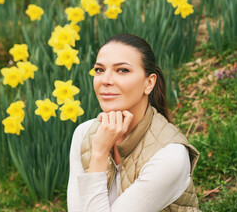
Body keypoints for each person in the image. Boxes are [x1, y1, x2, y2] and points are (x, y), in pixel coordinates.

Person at [67, 34, 200, 212]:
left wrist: (98, 154)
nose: (105, 80)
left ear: (149, 83)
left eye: (122, 70)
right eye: (99, 70)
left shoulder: (170, 155)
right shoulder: (84, 134)